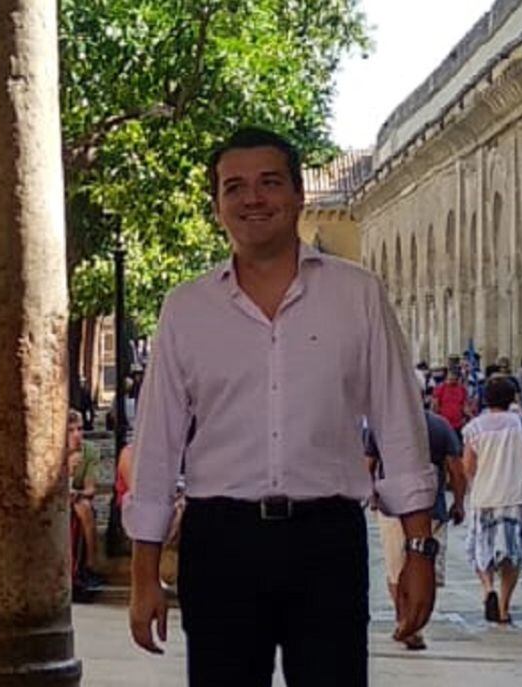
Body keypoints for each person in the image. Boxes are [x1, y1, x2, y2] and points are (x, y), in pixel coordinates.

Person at [125, 127, 438, 687]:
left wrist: (419, 549)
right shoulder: (186, 310)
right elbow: (157, 444)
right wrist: (144, 572)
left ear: (297, 195)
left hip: (326, 541)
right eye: (234, 187)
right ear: (218, 205)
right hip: (221, 543)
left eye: (269, 183)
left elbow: (398, 423)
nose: (253, 199)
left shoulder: (357, 295)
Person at [366, 409, 466, 651]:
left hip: (391, 507)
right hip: (432, 507)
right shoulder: (440, 426)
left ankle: (404, 621)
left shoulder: (380, 426)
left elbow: (368, 465)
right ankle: (413, 626)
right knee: (426, 567)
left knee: (395, 567)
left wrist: (371, 495)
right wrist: (459, 503)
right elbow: (456, 469)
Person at [462, 376, 522, 625]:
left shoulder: (475, 428)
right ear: (512, 398)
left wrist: (474, 482)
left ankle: (488, 589)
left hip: (485, 495)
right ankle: (504, 606)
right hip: (516, 495)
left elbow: (468, 465)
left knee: (483, 548)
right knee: (513, 553)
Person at [68, 409, 104, 589]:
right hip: (55, 500)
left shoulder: (89, 451)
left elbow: (91, 488)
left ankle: (90, 565)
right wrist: (67, 469)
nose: (77, 435)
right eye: (71, 430)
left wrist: (77, 493)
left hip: (77, 499)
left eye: (80, 429)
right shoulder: (51, 451)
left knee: (84, 507)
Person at [432, 366, 469, 439]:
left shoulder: (462, 389)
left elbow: (465, 405)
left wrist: (468, 416)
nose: (451, 380)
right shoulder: (441, 388)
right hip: (444, 424)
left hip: (458, 424)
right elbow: (435, 405)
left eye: (454, 378)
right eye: (450, 378)